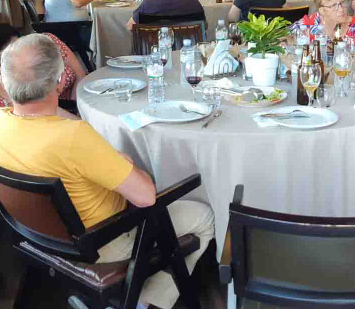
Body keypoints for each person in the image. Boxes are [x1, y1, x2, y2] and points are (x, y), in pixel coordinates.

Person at [0, 33, 215, 309]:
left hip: (39, 238)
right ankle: (146, 302)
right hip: (106, 243)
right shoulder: (73, 138)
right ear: (59, 80)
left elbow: (43, 117)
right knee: (204, 216)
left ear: (5, 83)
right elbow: (146, 196)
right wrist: (126, 161)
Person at [0, 25, 85, 108]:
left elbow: (79, 73)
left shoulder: (47, 42)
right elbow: (31, 109)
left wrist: (77, 105)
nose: (19, 51)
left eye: (18, 45)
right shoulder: (8, 78)